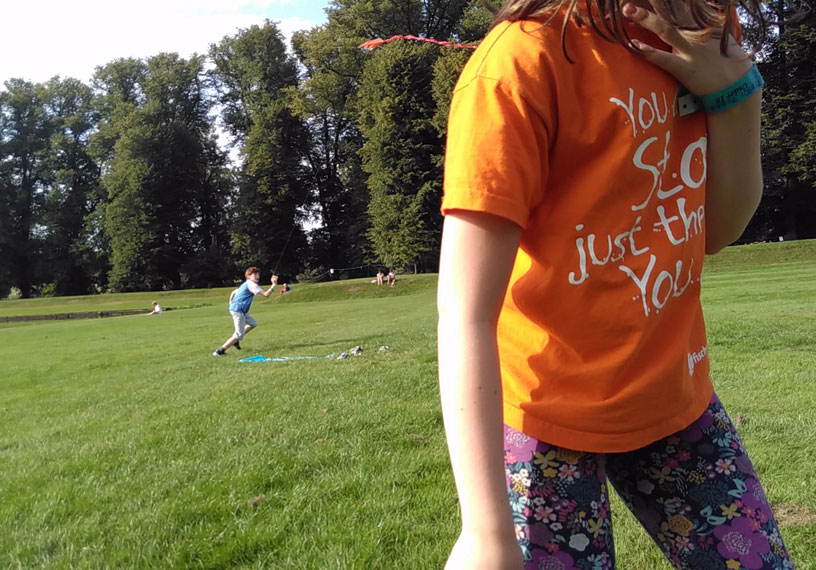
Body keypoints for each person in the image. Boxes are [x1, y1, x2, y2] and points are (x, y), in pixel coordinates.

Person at [437, 0, 792, 568]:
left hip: (675, 398)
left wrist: (736, 94)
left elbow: (716, 230)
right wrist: (485, 531)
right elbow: (464, 312)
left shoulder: (700, 20)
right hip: (545, 415)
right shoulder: (520, 62)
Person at [213, 268, 277, 356]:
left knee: (253, 323)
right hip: (238, 310)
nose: (257, 276)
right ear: (248, 276)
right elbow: (266, 295)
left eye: (258, 274)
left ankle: (236, 341)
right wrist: (273, 284)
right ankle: (220, 351)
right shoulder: (252, 284)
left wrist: (231, 303)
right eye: (255, 275)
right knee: (239, 334)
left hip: (238, 310)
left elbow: (233, 292)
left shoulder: (246, 284)